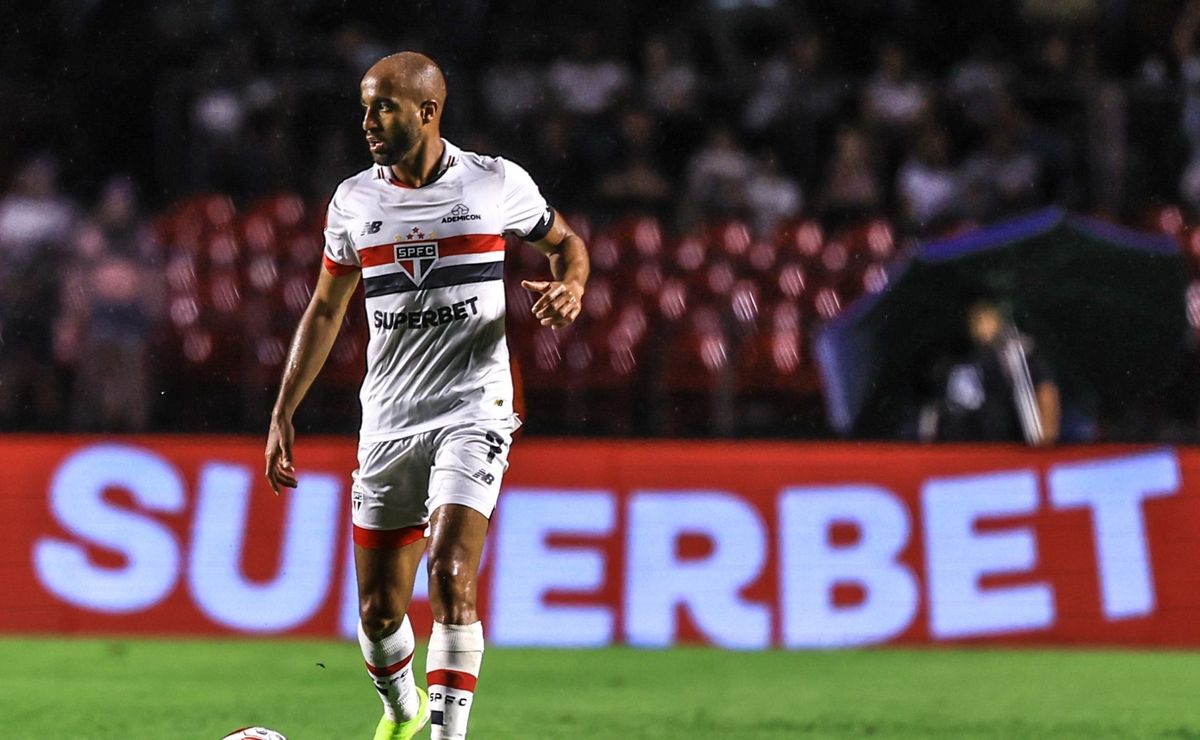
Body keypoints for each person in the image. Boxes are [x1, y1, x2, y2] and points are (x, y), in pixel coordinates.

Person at [263, 52, 589, 740]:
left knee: (450, 573)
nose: (368, 122)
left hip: (475, 410)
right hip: (387, 421)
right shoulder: (353, 202)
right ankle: (402, 711)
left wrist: (571, 286)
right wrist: (283, 410)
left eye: (383, 106)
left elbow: (567, 244)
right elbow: (324, 311)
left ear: (428, 111)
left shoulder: (495, 183)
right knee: (380, 613)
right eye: (364, 107)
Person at [921, 299, 1060, 446]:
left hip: (1008, 446)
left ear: (998, 319)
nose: (981, 326)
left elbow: (1046, 390)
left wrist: (1046, 440)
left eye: (986, 318)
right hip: (963, 447)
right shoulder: (959, 355)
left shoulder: (1018, 352)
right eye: (975, 320)